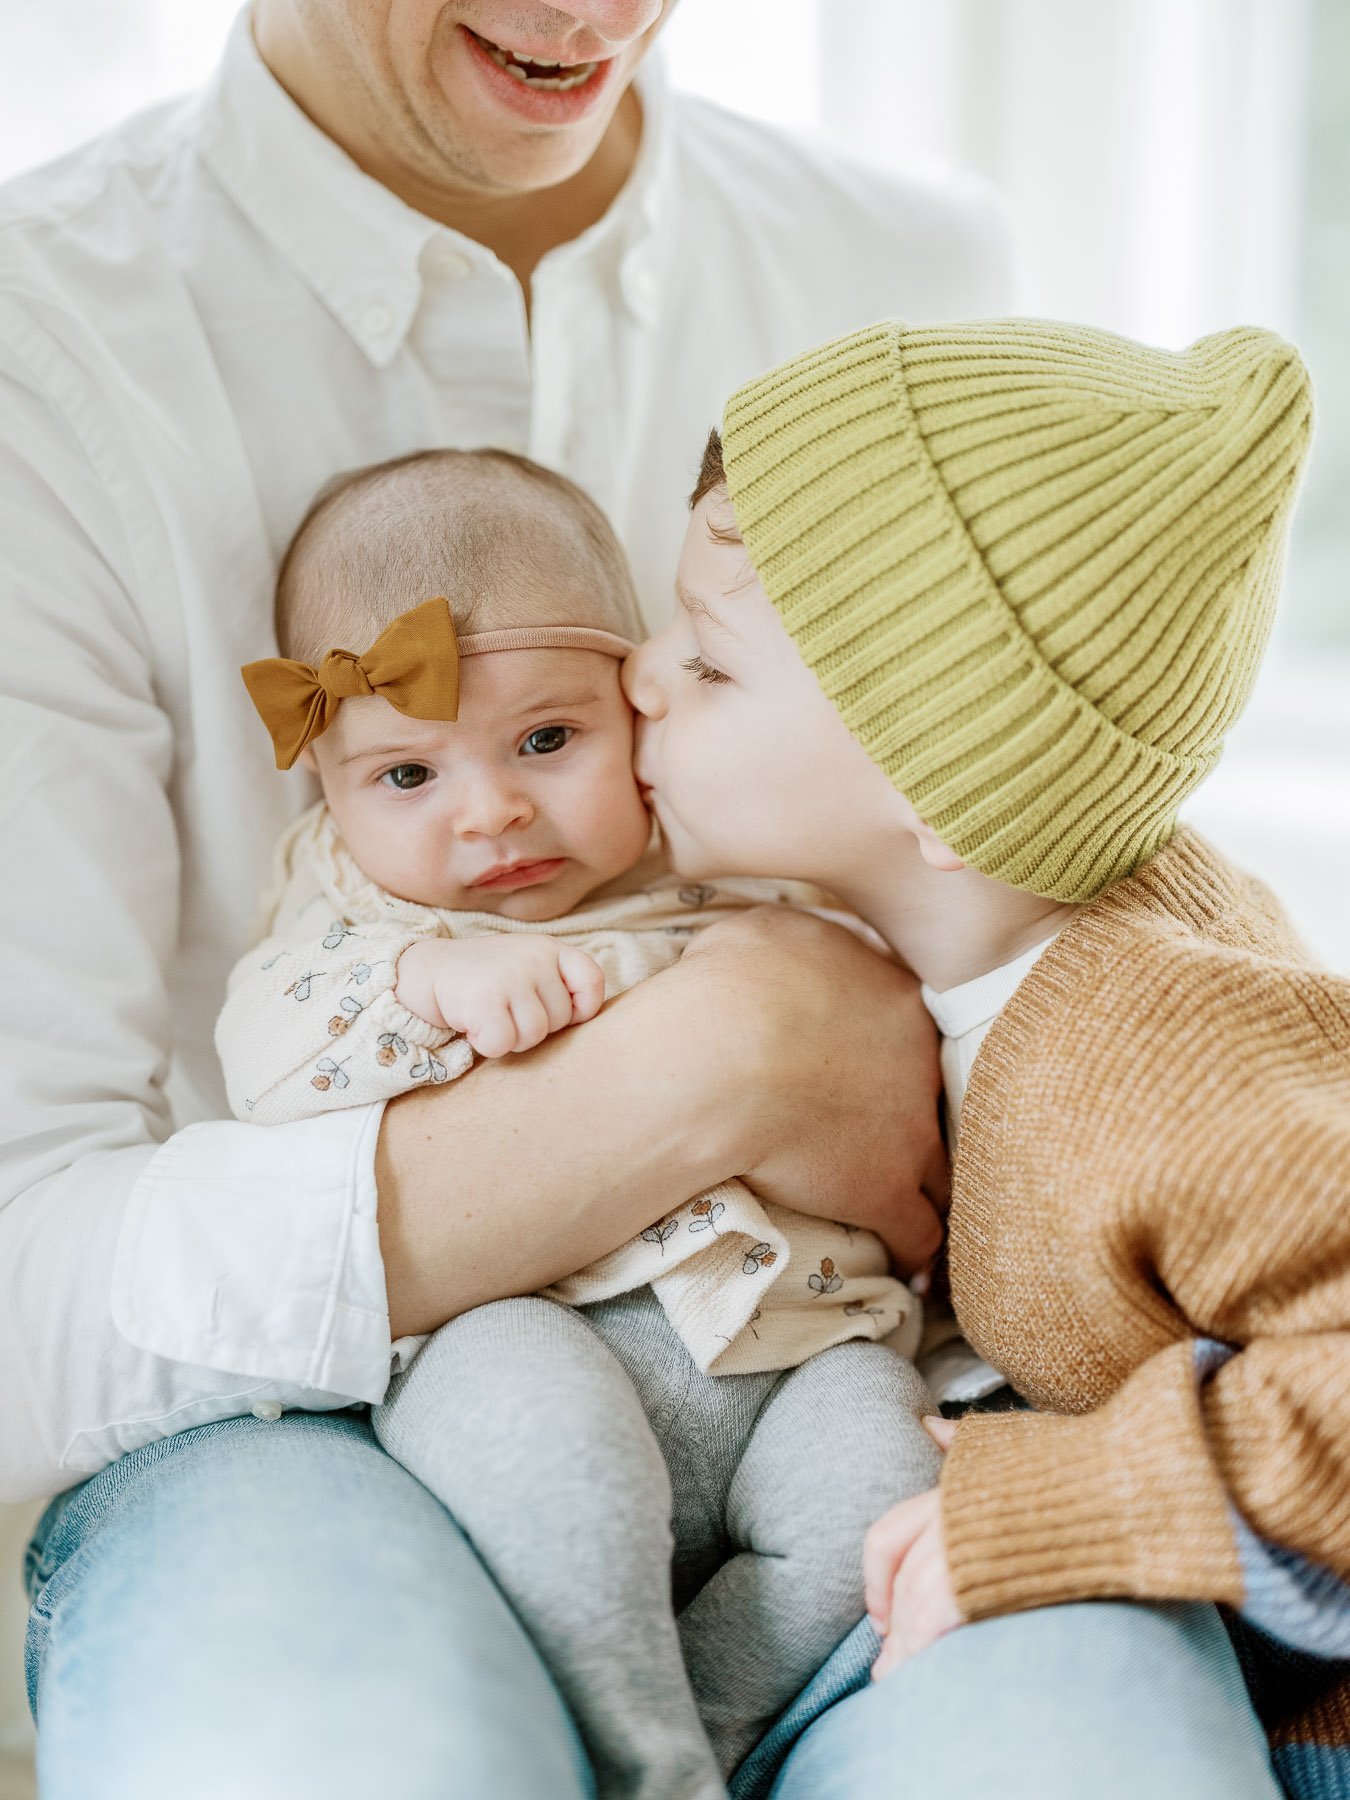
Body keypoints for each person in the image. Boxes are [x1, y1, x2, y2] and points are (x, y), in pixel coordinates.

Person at [5, 3, 1000, 1792]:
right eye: (405, 772)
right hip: (289, 1428)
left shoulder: (915, 274)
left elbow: (1054, 936)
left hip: (842, 1349)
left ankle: (687, 1729)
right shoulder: (43, 351)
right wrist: (734, 1055)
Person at [623, 313, 1346, 1797]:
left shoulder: (1154, 1054)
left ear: (938, 777)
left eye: (707, 664)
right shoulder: (966, 933)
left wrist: (1068, 1503)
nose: (637, 675)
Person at [219, 443, 938, 1797]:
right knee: (554, 1477)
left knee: (878, 1490)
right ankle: (632, 1738)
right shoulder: (368, 920)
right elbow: (260, 1058)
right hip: (522, 1328)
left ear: (637, 705)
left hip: (794, 1348)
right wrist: (426, 982)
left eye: (548, 741)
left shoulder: (726, 851)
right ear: (327, 786)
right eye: (405, 778)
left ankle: (692, 1742)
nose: (490, 810)